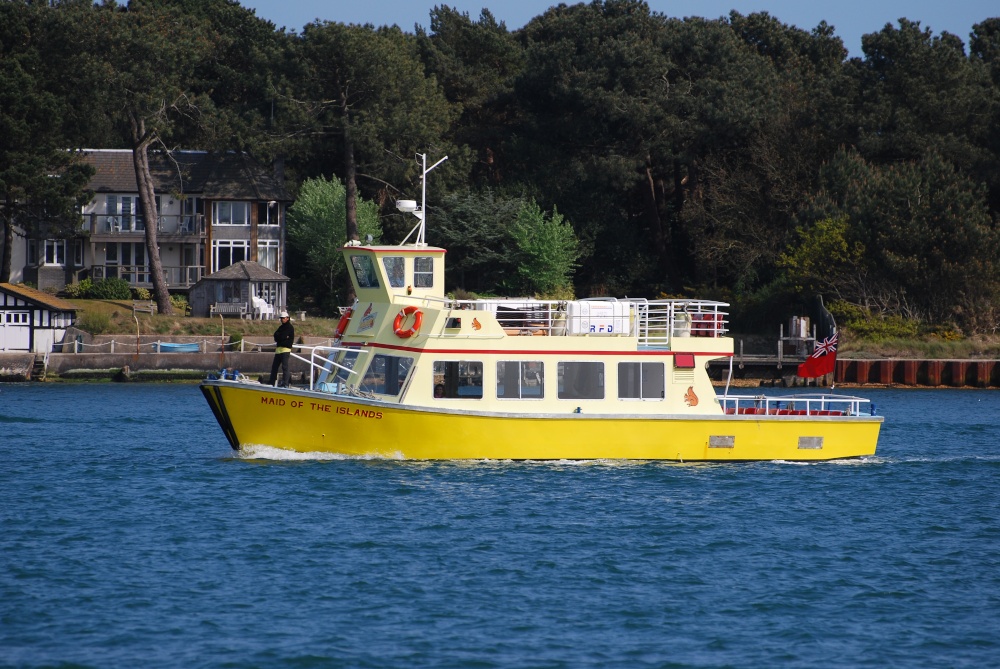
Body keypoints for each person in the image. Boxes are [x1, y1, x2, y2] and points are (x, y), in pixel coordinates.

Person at [270, 310, 294, 387]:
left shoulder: (290, 327)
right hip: (278, 350)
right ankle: (271, 382)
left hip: (285, 350)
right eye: (281, 318)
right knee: (274, 367)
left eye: (283, 318)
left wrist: (280, 337)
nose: (282, 319)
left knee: (285, 367)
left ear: (287, 318)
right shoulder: (281, 327)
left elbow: (281, 336)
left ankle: (285, 384)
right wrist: (282, 338)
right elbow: (276, 336)